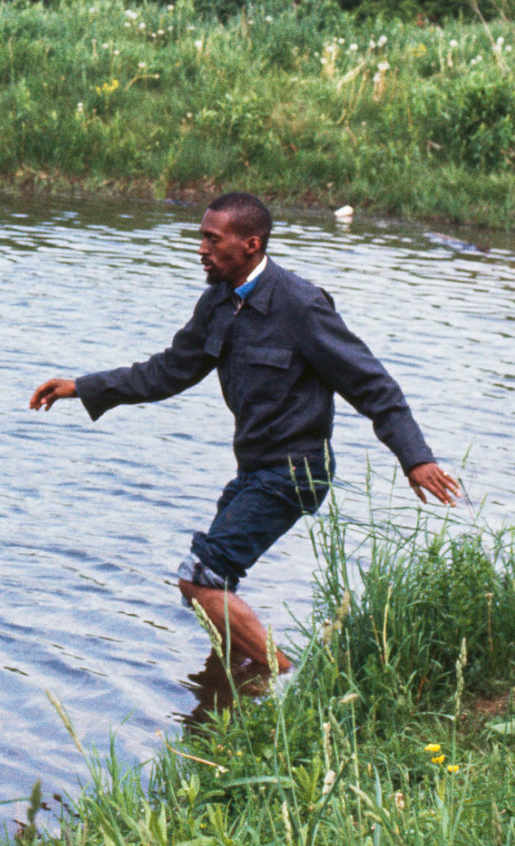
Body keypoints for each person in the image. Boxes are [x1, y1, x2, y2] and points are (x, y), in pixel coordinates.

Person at [29, 192, 460, 673]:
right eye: (201, 237)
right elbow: (169, 371)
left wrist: (415, 457)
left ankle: (288, 679)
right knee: (217, 588)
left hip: (294, 472)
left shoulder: (301, 305)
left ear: (251, 243)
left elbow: (372, 385)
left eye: (213, 239)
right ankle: (229, 696)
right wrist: (81, 387)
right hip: (254, 470)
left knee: (201, 580)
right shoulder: (217, 302)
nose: (201, 249)